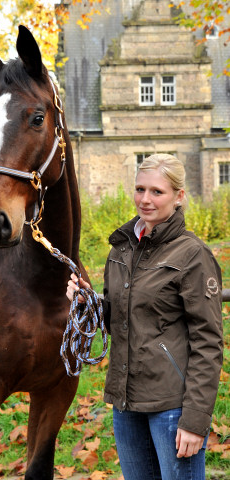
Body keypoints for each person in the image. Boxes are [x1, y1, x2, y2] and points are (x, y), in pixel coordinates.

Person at [66, 154, 223, 480]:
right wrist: (87, 303)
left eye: (157, 191)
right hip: (126, 405)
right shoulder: (121, 249)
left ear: (179, 197)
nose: (145, 199)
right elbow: (118, 322)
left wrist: (194, 420)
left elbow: (208, 342)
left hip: (172, 407)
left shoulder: (192, 254)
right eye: (140, 189)